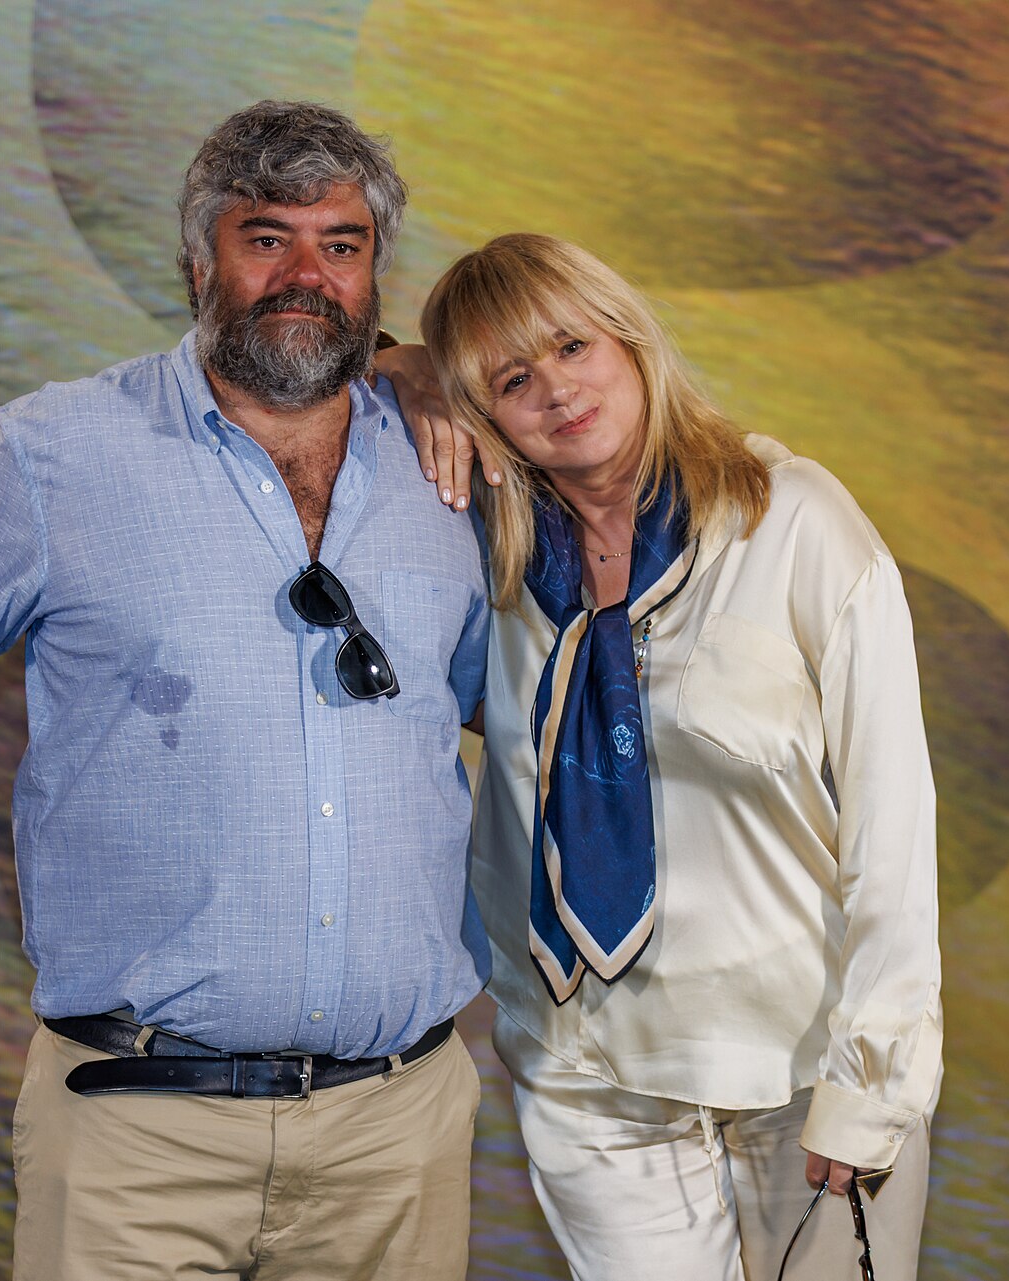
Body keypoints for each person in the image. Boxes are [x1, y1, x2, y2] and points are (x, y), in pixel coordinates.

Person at [0, 100, 492, 1280]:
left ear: (377, 273)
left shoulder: (453, 468)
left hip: (395, 1134)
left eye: (342, 244)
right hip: (134, 1136)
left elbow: (516, 708)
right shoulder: (54, 455)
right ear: (197, 262)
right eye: (267, 239)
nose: (306, 274)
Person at [398, 232, 942, 1279]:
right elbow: (308, 363)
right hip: (587, 1083)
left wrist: (872, 1085)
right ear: (481, 417)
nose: (557, 391)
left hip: (798, 1069)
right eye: (513, 380)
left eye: (573, 346)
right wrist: (406, 367)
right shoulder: (484, 554)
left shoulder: (792, 521)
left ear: (631, 339)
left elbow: (895, 825)